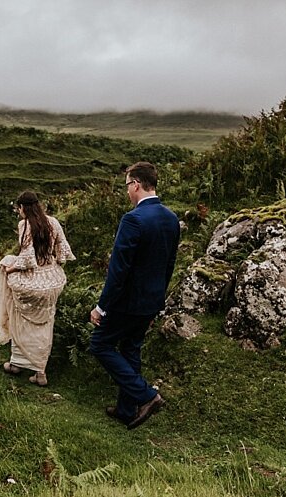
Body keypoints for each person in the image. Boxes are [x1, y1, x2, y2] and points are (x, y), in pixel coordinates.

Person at [89, 162, 180, 430]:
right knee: (130, 348)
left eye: (127, 185)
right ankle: (126, 410)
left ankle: (147, 396)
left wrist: (101, 307)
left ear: (136, 184)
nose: (127, 191)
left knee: (100, 345)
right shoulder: (171, 218)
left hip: (127, 302)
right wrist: (157, 302)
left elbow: (118, 270)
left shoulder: (133, 219)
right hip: (151, 301)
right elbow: (169, 265)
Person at [0, 191, 75, 386]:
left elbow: (27, 258)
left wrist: (10, 268)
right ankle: (40, 373)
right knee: (45, 324)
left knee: (19, 317)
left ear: (23, 207)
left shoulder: (25, 225)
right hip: (51, 281)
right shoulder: (53, 222)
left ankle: (16, 364)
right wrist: (54, 266)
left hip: (31, 282)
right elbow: (63, 251)